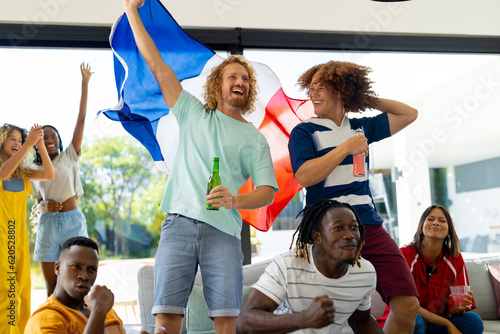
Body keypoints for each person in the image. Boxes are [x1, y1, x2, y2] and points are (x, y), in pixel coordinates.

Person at [123, 1, 278, 333]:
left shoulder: (254, 138)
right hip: (177, 225)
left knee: (226, 320)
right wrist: (132, 11)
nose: (240, 82)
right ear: (218, 86)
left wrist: (235, 200)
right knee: (165, 318)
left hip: (224, 233)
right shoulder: (192, 113)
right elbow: (156, 63)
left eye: (246, 79)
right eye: (232, 76)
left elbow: (266, 192)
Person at [287, 60, 419, 334]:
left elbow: (409, 114)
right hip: (327, 228)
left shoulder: (362, 127)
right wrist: (345, 148)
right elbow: (305, 176)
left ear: (341, 91)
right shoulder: (305, 132)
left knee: (407, 304)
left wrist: (362, 98)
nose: (313, 94)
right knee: (338, 313)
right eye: (311, 88)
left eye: (322, 88)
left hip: (368, 224)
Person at [236, 199, 383, 334]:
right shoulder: (288, 265)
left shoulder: (364, 272)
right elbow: (244, 323)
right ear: (317, 237)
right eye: (338, 228)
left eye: (353, 227)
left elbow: (361, 321)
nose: (349, 235)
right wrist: (304, 319)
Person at [31, 62, 93, 297]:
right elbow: (39, 200)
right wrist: (43, 205)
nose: (49, 139)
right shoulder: (33, 169)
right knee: (51, 289)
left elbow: (81, 120)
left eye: (53, 135)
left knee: (79, 286)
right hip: (48, 224)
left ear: (58, 140)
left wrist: (84, 83)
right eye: (44, 136)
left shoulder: (69, 156)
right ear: (37, 141)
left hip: (72, 222)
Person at [0, 123, 54, 334]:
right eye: (12, 139)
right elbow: (4, 174)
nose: (17, 143)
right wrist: (28, 143)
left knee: (22, 288)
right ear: (2, 141)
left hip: (17, 236)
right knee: (6, 289)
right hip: (2, 236)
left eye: (20, 140)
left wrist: (39, 145)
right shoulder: (3, 170)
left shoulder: (22, 173)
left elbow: (49, 174)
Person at [400, 205, 483, 334]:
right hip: (406, 320)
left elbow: (453, 310)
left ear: (449, 230)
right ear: (421, 227)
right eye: (430, 219)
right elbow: (406, 305)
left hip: (435, 325)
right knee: (415, 319)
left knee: (473, 320)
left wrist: (457, 308)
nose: (436, 223)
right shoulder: (404, 255)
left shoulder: (455, 258)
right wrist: (447, 324)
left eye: (442, 221)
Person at [25, 236, 124, 334]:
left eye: (92, 269)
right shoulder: (45, 319)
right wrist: (98, 313)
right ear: (57, 268)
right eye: (76, 266)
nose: (84, 276)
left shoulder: (106, 311)